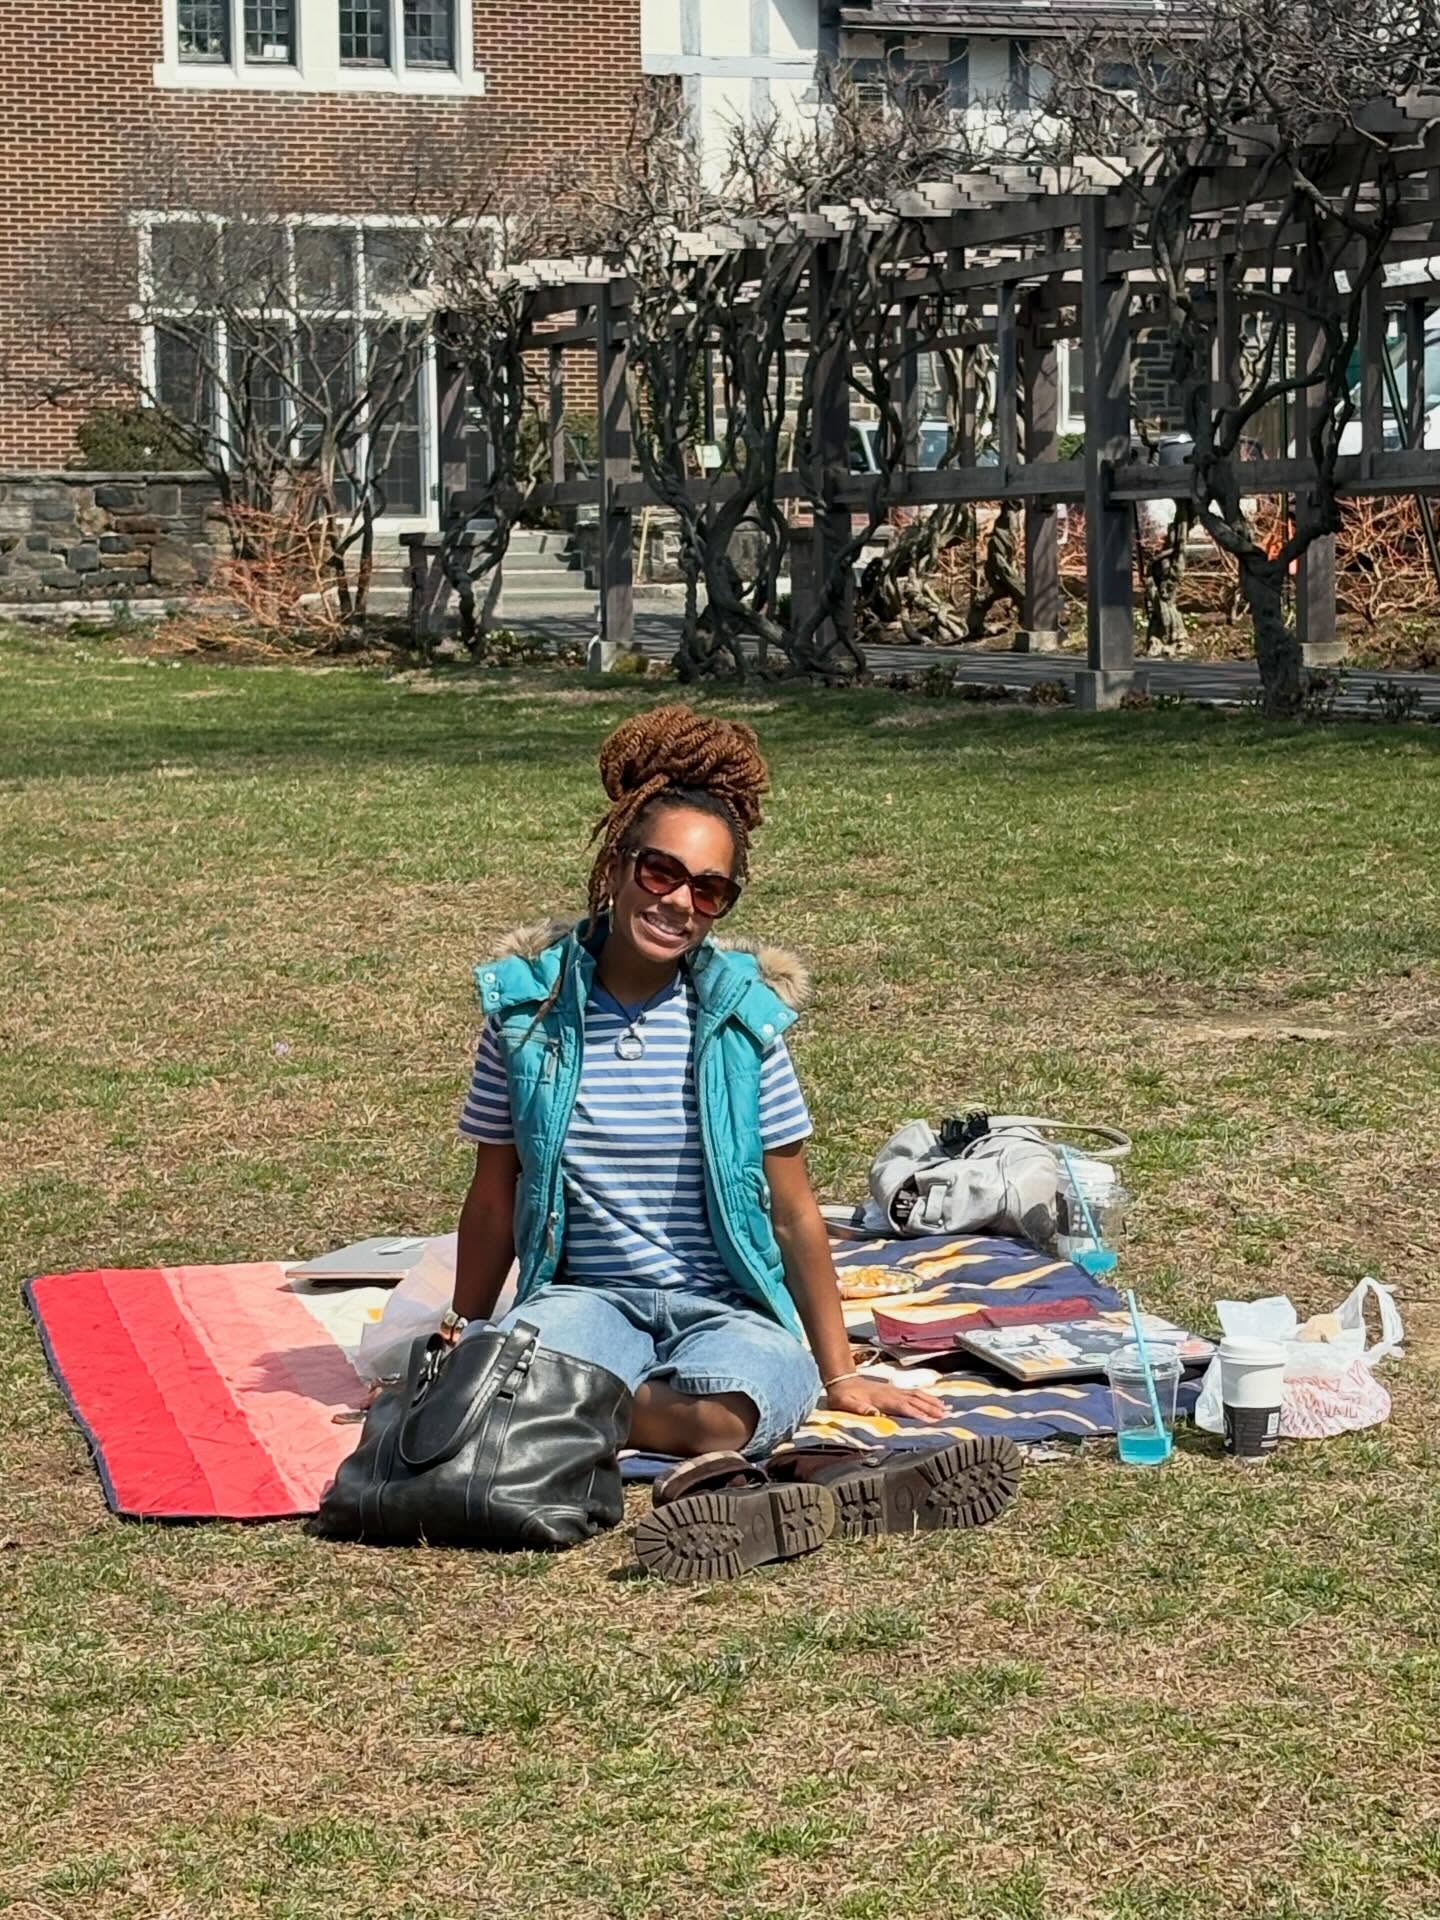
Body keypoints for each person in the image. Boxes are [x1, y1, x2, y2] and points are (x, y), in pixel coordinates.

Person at [447, 705, 1017, 1580]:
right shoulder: (527, 1022)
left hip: (722, 1306)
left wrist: (838, 1375)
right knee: (525, 1370)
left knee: (734, 1405)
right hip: (583, 1297)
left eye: (707, 889)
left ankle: (689, 1443)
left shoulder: (742, 1030)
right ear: (615, 867)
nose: (678, 901)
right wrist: (467, 1333)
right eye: (661, 870)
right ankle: (737, 1466)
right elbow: (494, 1195)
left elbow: (793, 1215)